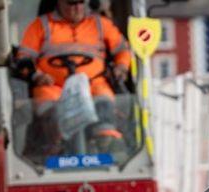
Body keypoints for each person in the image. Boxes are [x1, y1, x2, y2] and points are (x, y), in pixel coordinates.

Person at [16, 0, 131, 146]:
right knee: (48, 108)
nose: (77, 8)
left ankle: (106, 146)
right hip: (53, 86)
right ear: (59, 3)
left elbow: (122, 49)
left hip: (93, 84)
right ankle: (55, 147)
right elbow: (24, 58)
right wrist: (37, 75)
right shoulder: (40, 25)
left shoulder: (100, 24)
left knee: (104, 101)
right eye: (71, 3)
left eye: (80, 2)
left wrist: (121, 67)